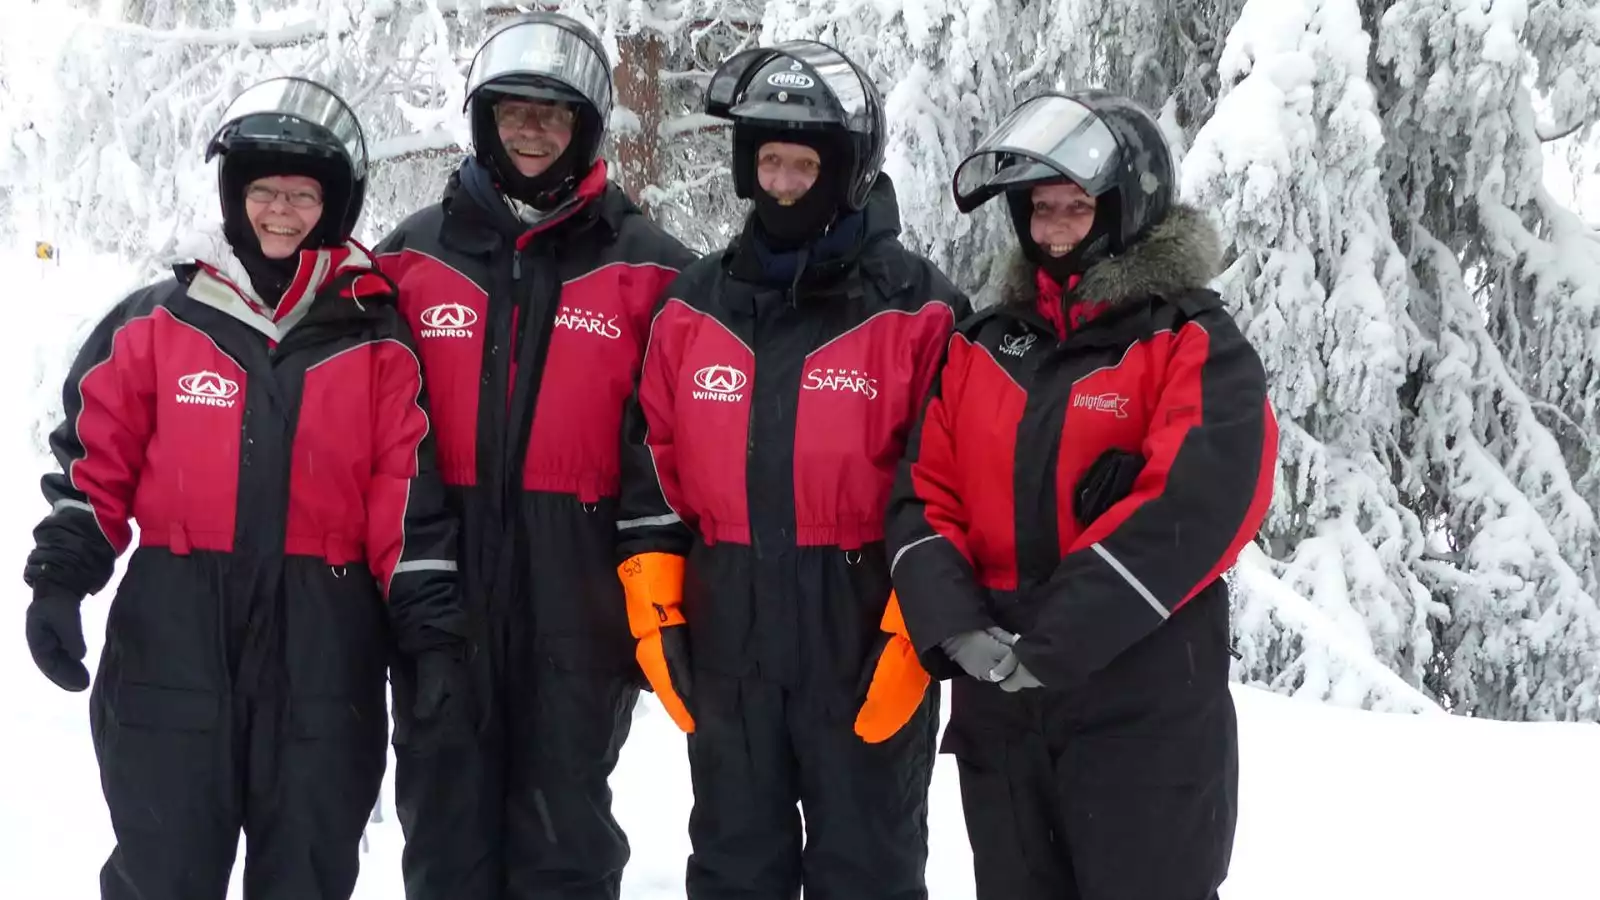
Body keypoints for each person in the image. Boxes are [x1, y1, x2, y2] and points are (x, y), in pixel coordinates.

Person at [21, 76, 469, 900]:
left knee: (305, 870)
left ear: (333, 208)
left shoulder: (375, 341)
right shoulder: (159, 322)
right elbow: (95, 462)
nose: (281, 213)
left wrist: (432, 637)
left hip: (324, 634)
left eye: (302, 196)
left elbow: (406, 497)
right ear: (234, 197)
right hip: (175, 625)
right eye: (264, 191)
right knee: (163, 870)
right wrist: (60, 581)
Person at [886, 90, 1279, 900]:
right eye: (1040, 209)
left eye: (1076, 207)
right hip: (1000, 702)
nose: (1056, 229)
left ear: (1126, 210)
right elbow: (924, 491)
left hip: (1141, 703)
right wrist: (954, 628)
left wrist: (1055, 642)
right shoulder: (984, 343)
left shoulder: (1190, 339)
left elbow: (1201, 504)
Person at [615, 39, 969, 900]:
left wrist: (913, 628)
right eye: (767, 160)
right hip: (728, 630)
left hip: (862, 630)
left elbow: (952, 485)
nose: (780, 183)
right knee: (735, 869)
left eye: (802, 163)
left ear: (846, 171)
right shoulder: (691, 310)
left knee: (869, 873)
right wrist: (656, 603)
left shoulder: (921, 313)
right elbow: (648, 464)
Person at [373, 12, 696, 900]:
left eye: (552, 115)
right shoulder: (411, 258)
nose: (531, 129)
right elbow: (356, 420)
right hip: (445, 584)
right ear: (483, 119)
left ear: (585, 128)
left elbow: (673, 437)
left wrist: (653, 572)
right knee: (444, 826)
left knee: (564, 833)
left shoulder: (652, 269)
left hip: (578, 592)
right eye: (514, 110)